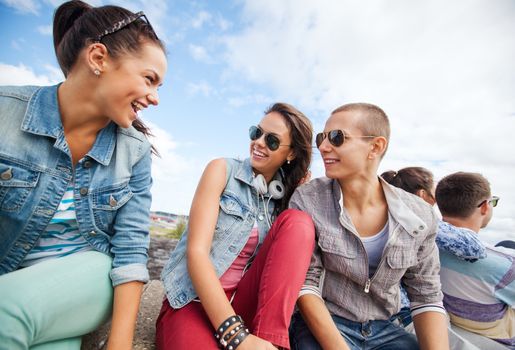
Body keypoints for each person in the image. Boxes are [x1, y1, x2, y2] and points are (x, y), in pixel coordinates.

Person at [0, 1, 166, 349]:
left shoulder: (133, 152)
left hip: (87, 279)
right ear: (98, 58)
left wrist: (119, 344)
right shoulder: (5, 112)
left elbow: (131, 248)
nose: (154, 98)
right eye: (149, 79)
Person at [289, 103, 449, 350]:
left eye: (336, 137)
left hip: (385, 328)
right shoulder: (308, 199)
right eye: (322, 137)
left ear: (375, 146)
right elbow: (305, 283)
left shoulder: (420, 215)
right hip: (326, 323)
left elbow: (426, 295)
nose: (322, 146)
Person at [157, 103, 315, 350]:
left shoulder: (285, 197)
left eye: (272, 141)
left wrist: (302, 189)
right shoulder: (222, 170)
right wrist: (234, 333)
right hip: (194, 301)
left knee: (299, 222)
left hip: (242, 303)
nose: (259, 143)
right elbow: (196, 253)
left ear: (291, 153)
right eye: (256, 133)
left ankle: (270, 341)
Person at [435, 172, 514, 348]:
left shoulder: (427, 246)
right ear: (485, 207)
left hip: (454, 325)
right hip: (497, 339)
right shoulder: (505, 265)